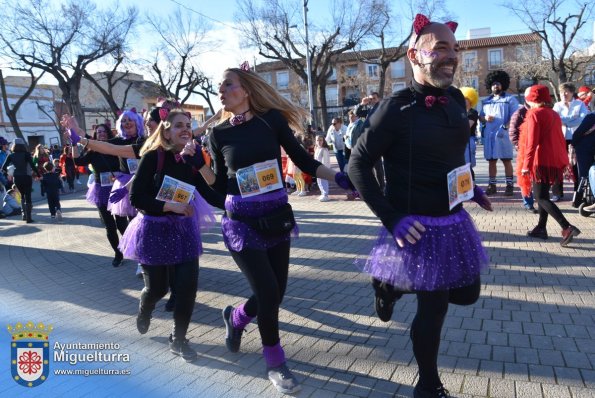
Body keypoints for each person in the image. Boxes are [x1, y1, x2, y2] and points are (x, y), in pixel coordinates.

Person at [348, 14, 492, 398]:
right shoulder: (395, 108)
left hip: (453, 218)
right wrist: (391, 218)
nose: (452, 56)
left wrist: (471, 187)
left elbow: (454, 154)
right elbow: (356, 164)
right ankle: (428, 385)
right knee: (436, 307)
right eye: (441, 48)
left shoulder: (458, 98)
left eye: (455, 49)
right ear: (415, 54)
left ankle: (390, 286)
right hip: (415, 226)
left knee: (468, 294)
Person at [210, 63, 352, 394]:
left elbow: (302, 160)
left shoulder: (270, 120)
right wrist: (195, 167)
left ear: (245, 90)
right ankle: (275, 361)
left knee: (277, 292)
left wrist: (340, 179)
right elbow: (217, 184)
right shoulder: (217, 134)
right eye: (218, 86)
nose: (221, 90)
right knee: (269, 293)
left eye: (227, 84)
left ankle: (236, 318)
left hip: (275, 218)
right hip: (241, 224)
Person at [120, 108, 223, 362]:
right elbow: (136, 198)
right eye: (179, 125)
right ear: (166, 131)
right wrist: (169, 205)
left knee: (187, 288)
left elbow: (210, 193)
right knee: (158, 288)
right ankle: (146, 306)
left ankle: (179, 339)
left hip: (183, 231)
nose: (186, 129)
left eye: (188, 125)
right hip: (154, 230)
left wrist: (235, 202)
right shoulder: (153, 157)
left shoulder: (193, 159)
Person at [520, 85, 581, 246]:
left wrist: (526, 165)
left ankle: (567, 227)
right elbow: (560, 138)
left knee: (540, 198)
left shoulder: (534, 114)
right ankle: (541, 228)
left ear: (533, 99)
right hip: (553, 160)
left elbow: (531, 143)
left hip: (540, 162)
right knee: (544, 196)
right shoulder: (554, 114)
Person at [72, 124, 125, 266]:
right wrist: (73, 144)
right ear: (95, 135)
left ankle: (128, 247)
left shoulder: (115, 146)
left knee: (121, 223)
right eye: (98, 132)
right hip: (101, 191)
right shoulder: (93, 151)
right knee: (109, 225)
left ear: (108, 133)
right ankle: (118, 253)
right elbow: (78, 161)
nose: (101, 134)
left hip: (117, 189)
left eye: (103, 131)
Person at [479, 70, 519, 196]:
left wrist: (505, 128)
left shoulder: (510, 99)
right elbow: (480, 117)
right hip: (490, 135)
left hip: (503, 135)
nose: (496, 86)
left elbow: (515, 116)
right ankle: (492, 185)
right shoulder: (486, 101)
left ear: (503, 84)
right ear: (490, 85)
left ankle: (509, 185)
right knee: (491, 161)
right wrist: (484, 118)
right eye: (493, 84)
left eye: (498, 83)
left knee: (506, 160)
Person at [552, 83, 588, 200]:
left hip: (577, 138)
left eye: (567, 91)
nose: (564, 94)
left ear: (572, 93)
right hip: (560, 138)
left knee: (577, 166)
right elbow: (555, 119)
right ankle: (557, 193)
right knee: (558, 165)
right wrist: (573, 117)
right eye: (562, 92)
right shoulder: (557, 105)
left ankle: (577, 192)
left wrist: (565, 121)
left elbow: (583, 119)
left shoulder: (580, 104)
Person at [509, 87, 538, 213]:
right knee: (524, 177)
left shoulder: (540, 110)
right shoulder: (520, 112)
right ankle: (528, 203)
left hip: (539, 149)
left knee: (537, 176)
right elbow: (513, 132)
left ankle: (541, 200)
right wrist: (519, 146)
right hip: (524, 150)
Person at [1, 138, 40, 223]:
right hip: (26, 176)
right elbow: (32, 165)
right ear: (23, 145)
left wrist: (7, 175)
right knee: (28, 196)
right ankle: (29, 218)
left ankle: (24, 215)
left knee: (22, 195)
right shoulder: (26, 154)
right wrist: (38, 174)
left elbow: (3, 168)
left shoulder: (11, 155)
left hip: (17, 178)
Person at [571, 112, 595, 212]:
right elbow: (578, 133)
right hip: (585, 150)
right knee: (587, 174)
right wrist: (573, 145)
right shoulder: (592, 117)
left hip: (586, 149)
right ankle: (582, 198)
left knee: (586, 174)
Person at [459, 87, 479, 181]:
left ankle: (473, 186)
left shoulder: (473, 112)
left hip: (469, 140)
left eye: (465, 99)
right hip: (461, 140)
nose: (463, 101)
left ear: (471, 100)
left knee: (468, 165)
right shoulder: (460, 112)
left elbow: (467, 126)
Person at [314, 135, 331, 202]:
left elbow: (326, 160)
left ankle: (325, 195)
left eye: (320, 140)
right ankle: (322, 193)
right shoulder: (317, 149)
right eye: (317, 140)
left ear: (323, 141)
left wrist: (324, 169)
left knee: (323, 181)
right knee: (319, 181)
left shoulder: (324, 149)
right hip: (317, 168)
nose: (319, 142)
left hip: (323, 168)